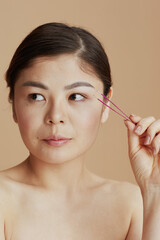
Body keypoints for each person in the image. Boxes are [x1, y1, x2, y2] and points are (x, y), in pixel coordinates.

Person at [0, 22, 160, 240]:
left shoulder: (131, 205)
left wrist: (154, 190)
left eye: (76, 96)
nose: (56, 116)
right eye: (36, 96)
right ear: (14, 105)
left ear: (106, 105)